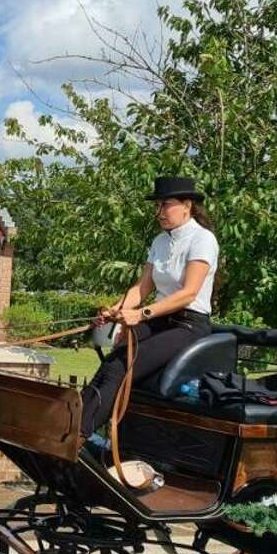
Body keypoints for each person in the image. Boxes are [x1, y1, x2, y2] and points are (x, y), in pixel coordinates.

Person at [80, 176, 219, 440]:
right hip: (160, 319)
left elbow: (188, 293)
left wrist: (141, 314)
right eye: (157, 206)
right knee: (112, 361)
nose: (159, 212)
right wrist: (115, 309)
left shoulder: (203, 239)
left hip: (190, 325)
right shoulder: (159, 242)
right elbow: (142, 288)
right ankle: (70, 422)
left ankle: (80, 433)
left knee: (123, 365)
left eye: (165, 205)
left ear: (187, 204)